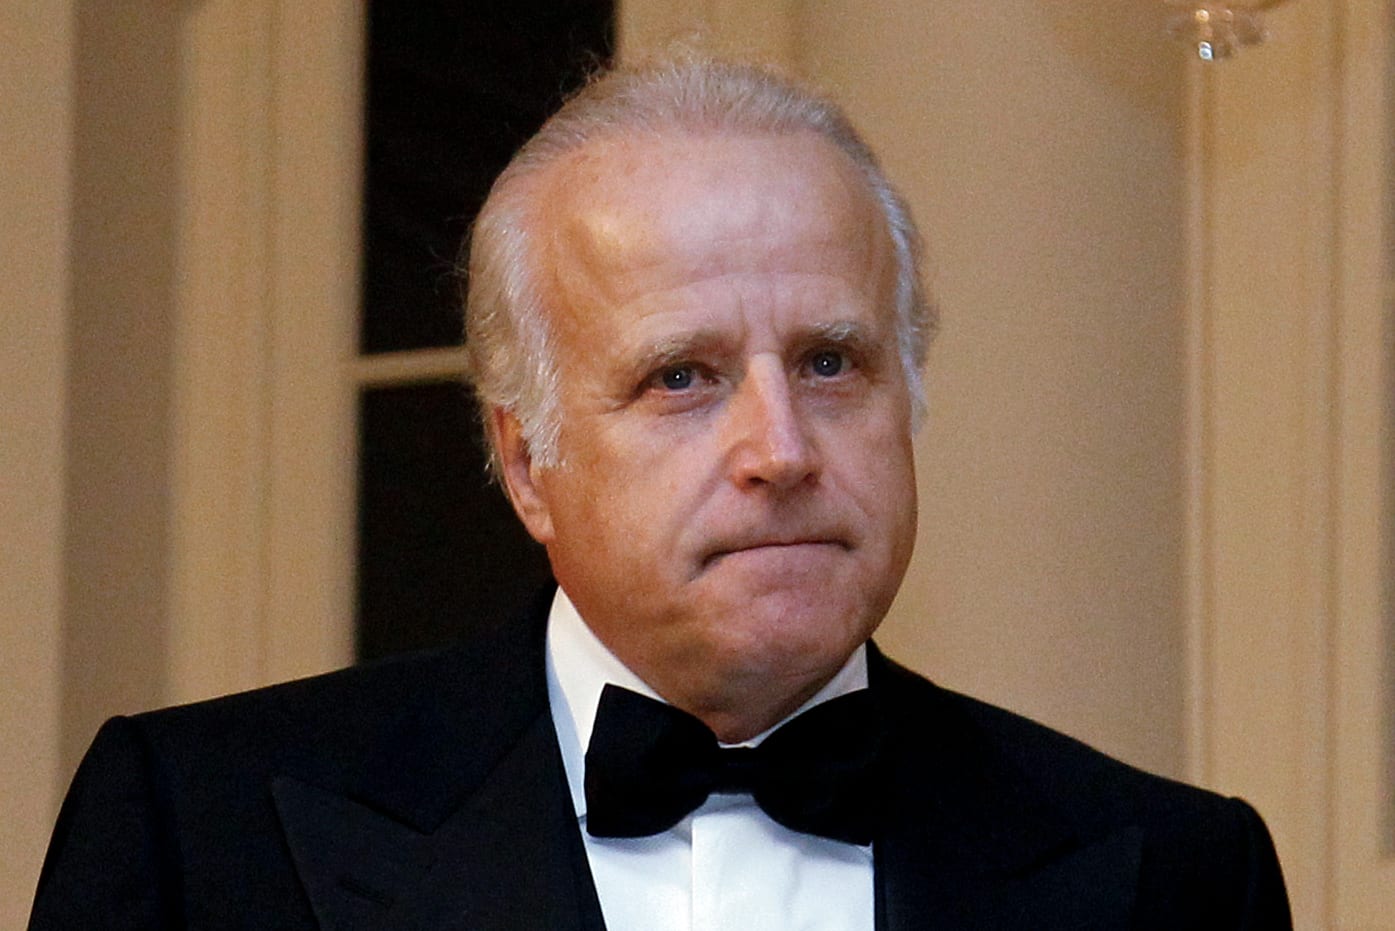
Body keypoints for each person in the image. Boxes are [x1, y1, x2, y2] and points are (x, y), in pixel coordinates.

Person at [29, 56, 1290, 930]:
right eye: (682, 376)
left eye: (830, 362)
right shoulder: (202, 832)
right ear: (528, 463)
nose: (780, 449)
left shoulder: (1177, 877)